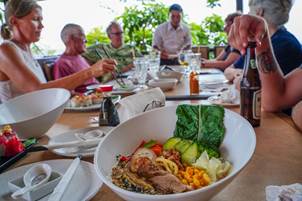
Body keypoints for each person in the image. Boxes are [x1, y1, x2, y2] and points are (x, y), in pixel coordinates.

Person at [0, 0, 115, 102]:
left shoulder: (26, 53)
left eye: (41, 20)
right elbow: (37, 90)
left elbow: (46, 93)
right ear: (14, 21)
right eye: (35, 19)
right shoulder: (5, 49)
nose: (41, 25)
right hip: (21, 125)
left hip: (41, 120)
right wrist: (91, 71)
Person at [228, 14, 302, 131]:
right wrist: (261, 40)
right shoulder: (267, 40)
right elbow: (274, 100)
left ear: (259, 11)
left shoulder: (284, 43)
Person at [224, 0, 302, 81]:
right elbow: (228, 70)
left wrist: (239, 75)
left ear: (259, 12)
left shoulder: (284, 44)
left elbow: (258, 85)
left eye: (249, 11)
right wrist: (239, 74)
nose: (247, 14)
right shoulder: (260, 40)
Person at [53, 23, 99, 93]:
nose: (86, 40)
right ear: (71, 39)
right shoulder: (62, 64)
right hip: (89, 99)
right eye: (83, 36)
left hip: (99, 92)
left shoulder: (81, 58)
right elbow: (64, 93)